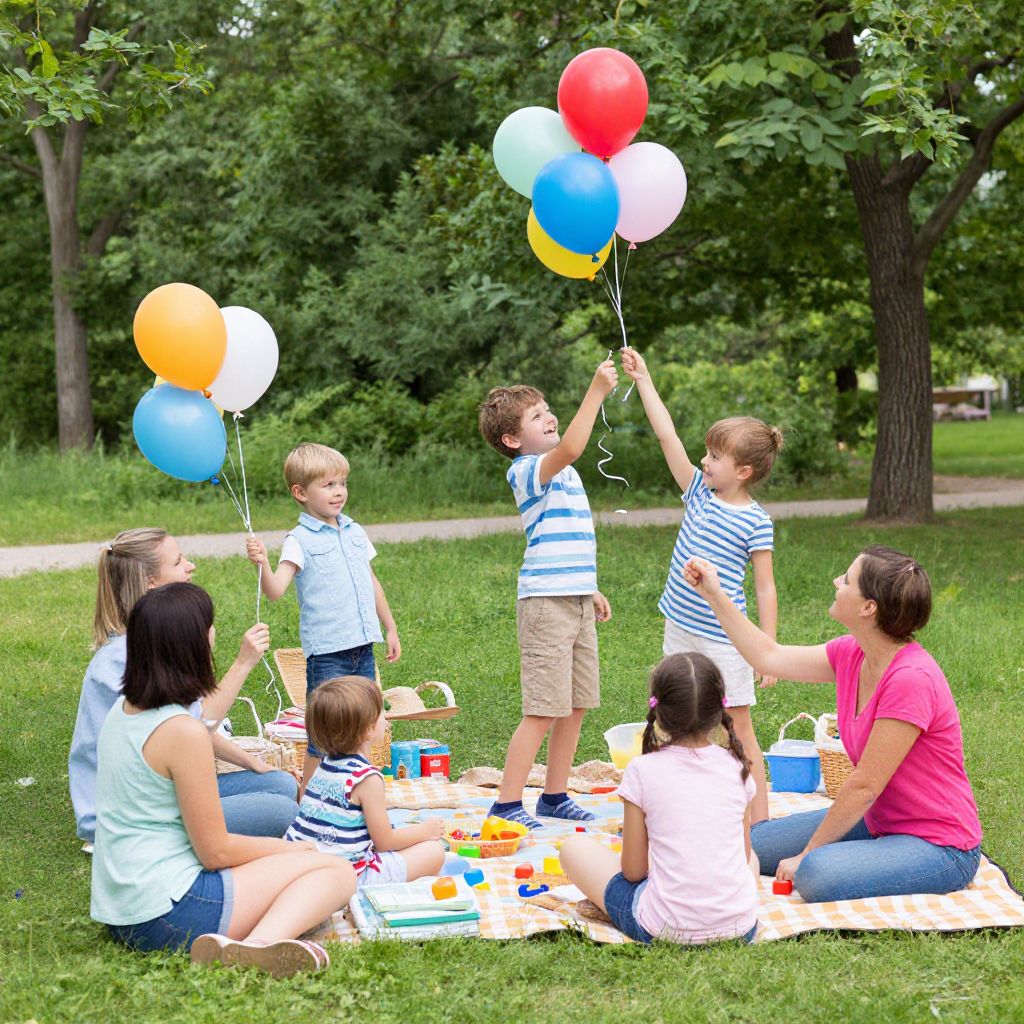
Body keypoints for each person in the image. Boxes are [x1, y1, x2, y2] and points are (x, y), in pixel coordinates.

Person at [683, 546, 983, 903]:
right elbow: (768, 657)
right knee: (751, 842)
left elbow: (865, 786)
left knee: (815, 873)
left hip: (940, 846)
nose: (836, 582)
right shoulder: (852, 654)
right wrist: (714, 594)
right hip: (878, 821)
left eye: (847, 580)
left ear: (868, 608)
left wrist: (806, 853)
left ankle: (843, 857)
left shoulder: (911, 678)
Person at [91, 582, 355, 975]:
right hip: (166, 914)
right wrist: (293, 851)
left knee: (298, 853)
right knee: (335, 872)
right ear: (192, 644)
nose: (214, 634)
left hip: (123, 908)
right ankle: (255, 947)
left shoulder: (124, 710)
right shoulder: (183, 732)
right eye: (209, 627)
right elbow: (215, 853)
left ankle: (249, 939)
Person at [621, 347, 783, 824]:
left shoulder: (756, 521)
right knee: (675, 720)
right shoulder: (697, 491)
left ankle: (759, 824)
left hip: (726, 640)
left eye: (714, 456)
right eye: (707, 454)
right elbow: (666, 435)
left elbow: (766, 588)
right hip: (680, 628)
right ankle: (679, 809)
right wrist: (645, 379)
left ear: (744, 471)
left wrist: (766, 651)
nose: (703, 461)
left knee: (737, 727)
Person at [69, 528, 298, 844]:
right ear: (150, 581)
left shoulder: (152, 638)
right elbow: (198, 724)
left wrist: (252, 763)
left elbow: (188, 722)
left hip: (162, 791)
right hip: (133, 815)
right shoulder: (126, 656)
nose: (191, 566)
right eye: (178, 562)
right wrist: (243, 662)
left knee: (281, 785)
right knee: (281, 812)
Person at [477, 362, 617, 829]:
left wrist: (589, 587)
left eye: (547, 409)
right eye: (536, 416)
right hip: (545, 606)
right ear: (512, 439)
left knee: (576, 705)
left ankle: (554, 796)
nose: (549, 416)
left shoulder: (566, 474)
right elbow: (573, 446)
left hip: (575, 599)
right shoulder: (526, 471)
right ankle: (506, 805)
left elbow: (567, 537)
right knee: (542, 710)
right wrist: (596, 390)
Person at [561, 653, 759, 944]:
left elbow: (633, 871)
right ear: (719, 711)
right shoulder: (737, 767)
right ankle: (725, 910)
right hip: (739, 929)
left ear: (658, 709)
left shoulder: (642, 770)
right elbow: (743, 857)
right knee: (753, 859)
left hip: (662, 927)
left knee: (573, 848)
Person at [246, 443, 400, 799]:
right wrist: (262, 563)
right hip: (328, 654)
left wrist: (390, 627)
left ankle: (357, 793)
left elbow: (371, 581)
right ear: (300, 492)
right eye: (328, 485)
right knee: (323, 734)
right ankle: (307, 800)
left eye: (342, 483)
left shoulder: (355, 531)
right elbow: (275, 590)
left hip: (362, 648)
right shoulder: (298, 540)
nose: (339, 492)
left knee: (364, 727)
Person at [284, 676, 445, 884]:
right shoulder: (367, 779)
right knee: (434, 851)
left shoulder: (324, 765)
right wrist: (426, 830)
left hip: (300, 869)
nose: (386, 719)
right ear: (368, 729)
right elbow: (384, 842)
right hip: (345, 879)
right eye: (381, 713)